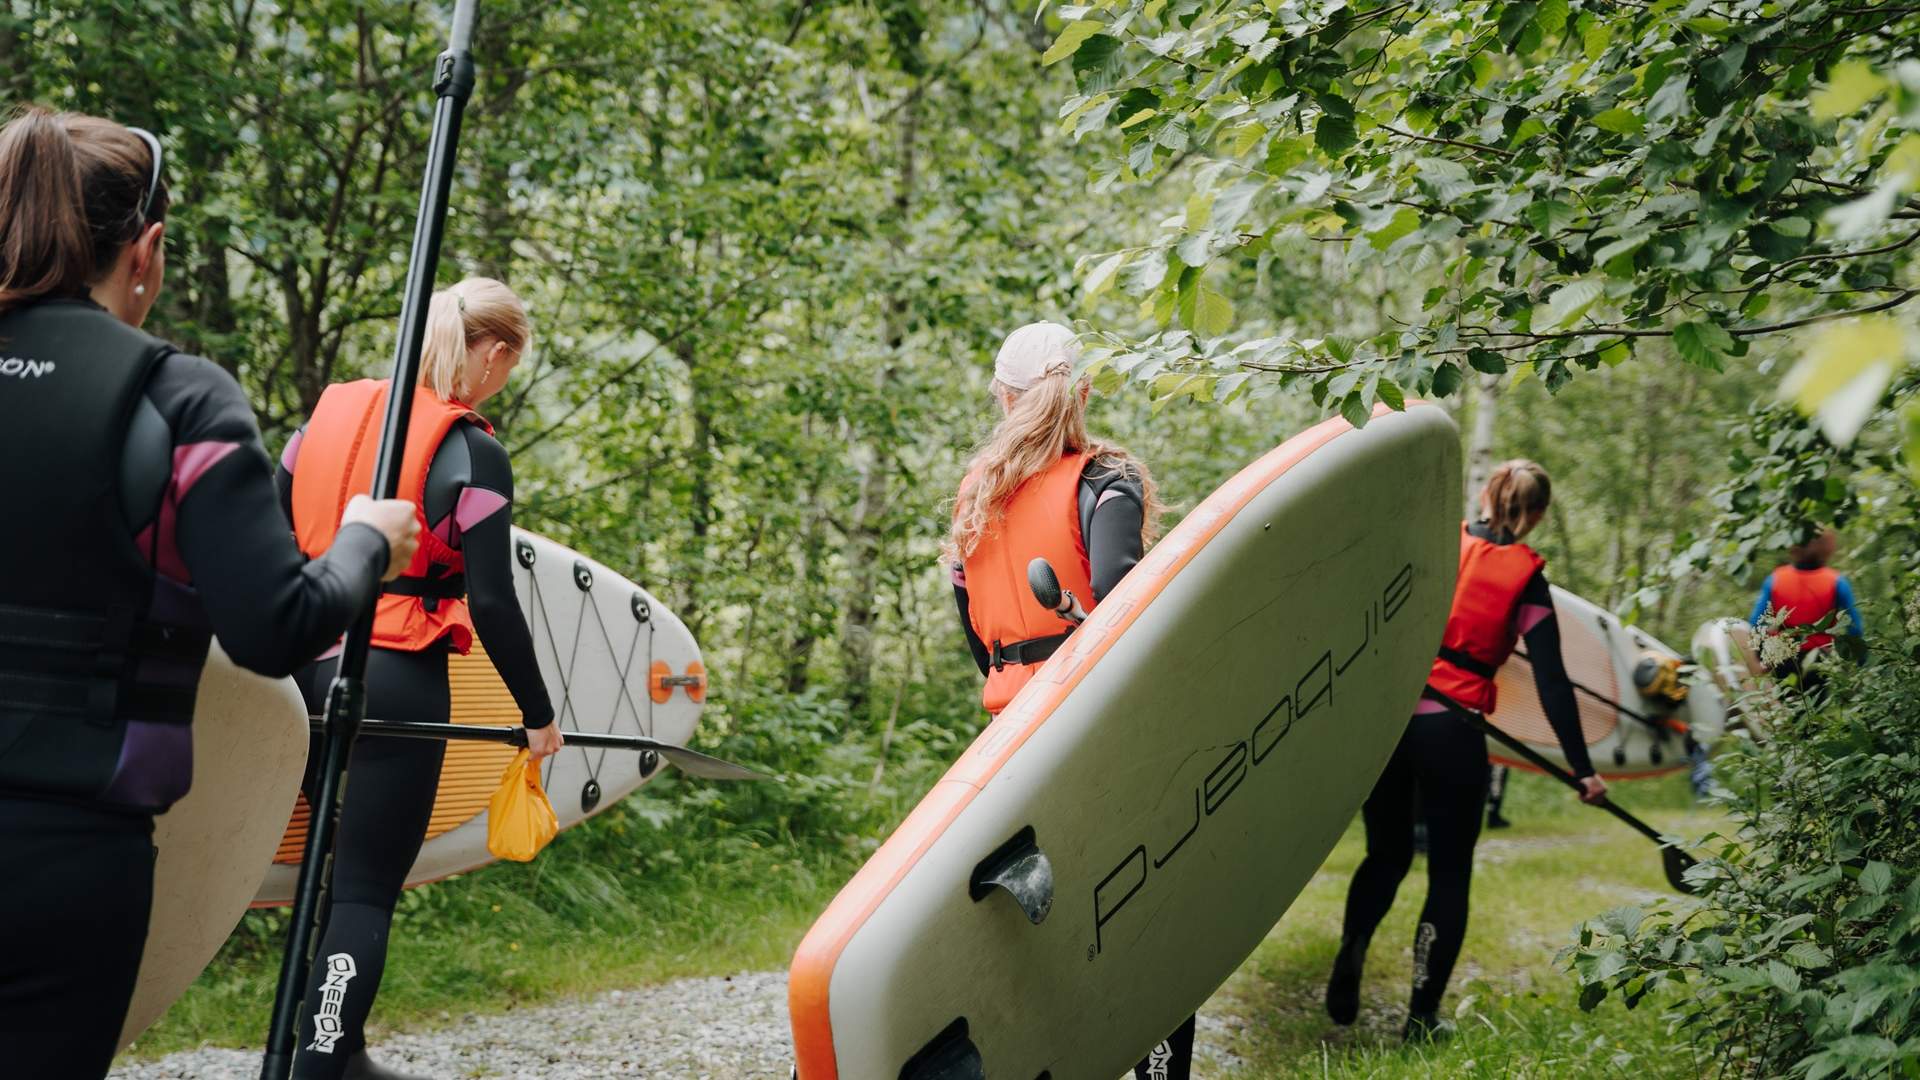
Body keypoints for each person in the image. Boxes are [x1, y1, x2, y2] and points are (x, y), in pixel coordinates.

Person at [0, 106, 420, 1079]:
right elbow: (279, 628)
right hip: (71, 861)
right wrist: (366, 542)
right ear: (144, 251)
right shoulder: (180, 398)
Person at [278, 278, 560, 1080]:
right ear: (495, 351)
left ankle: (342, 1049)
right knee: (365, 887)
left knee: (332, 865)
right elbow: (495, 602)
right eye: (509, 365)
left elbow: (272, 528)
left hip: (304, 677)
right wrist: (538, 715)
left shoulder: (319, 426)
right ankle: (322, 1060)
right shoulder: (471, 451)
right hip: (396, 678)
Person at [943, 322, 1187, 1079]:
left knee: (1045, 921)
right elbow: (1120, 601)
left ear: (1005, 397)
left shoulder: (978, 490)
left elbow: (972, 625)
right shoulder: (1104, 480)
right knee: (1146, 908)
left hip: (1007, 731)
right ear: (1083, 392)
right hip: (1091, 728)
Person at [1326, 460, 1607, 1041]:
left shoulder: (1438, 540)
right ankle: (1420, 1016)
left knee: (1386, 854)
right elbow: (1552, 682)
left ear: (1485, 492)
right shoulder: (1526, 576)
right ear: (1536, 515)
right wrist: (1584, 771)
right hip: (1453, 732)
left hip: (1392, 721)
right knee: (1449, 875)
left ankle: (1352, 946)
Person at [1749, 527, 1864, 692]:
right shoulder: (1837, 581)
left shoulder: (1775, 579)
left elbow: (1755, 624)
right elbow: (1855, 628)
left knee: (1785, 708)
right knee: (1814, 711)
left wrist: (1758, 660)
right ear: (1828, 549)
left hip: (1782, 655)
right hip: (1820, 658)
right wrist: (1859, 663)